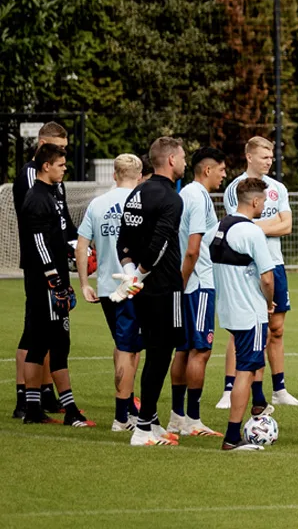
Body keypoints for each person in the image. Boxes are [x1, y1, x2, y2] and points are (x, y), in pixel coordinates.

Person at [115, 136, 187, 446]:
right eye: (182, 157)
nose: (185, 162)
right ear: (171, 160)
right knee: (161, 353)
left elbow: (123, 240)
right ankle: (143, 428)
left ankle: (152, 421)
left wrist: (130, 271)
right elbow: (160, 245)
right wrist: (141, 274)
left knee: (154, 352)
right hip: (163, 287)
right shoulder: (172, 198)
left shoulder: (137, 193)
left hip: (141, 288)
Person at [222, 137, 298, 406]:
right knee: (242, 328)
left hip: (274, 263)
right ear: (249, 157)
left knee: (276, 329)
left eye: (271, 156)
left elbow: (288, 226)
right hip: (246, 267)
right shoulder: (235, 188)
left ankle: (279, 391)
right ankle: (229, 388)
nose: (269, 161)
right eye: (264, 157)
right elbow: (237, 227)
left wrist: (256, 225)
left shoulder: (278, 188)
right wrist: (271, 224)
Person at [18, 143, 92, 428]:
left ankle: (34, 409)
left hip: (50, 281)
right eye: (60, 164)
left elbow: (58, 235)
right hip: (45, 285)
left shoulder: (52, 194)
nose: (64, 169)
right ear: (46, 166)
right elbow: (38, 242)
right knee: (56, 343)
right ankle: (70, 410)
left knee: (41, 344)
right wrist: (56, 280)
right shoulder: (37, 197)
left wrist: (72, 250)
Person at [76, 154, 143, 431]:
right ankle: (122, 416)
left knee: (121, 344)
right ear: (139, 176)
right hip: (133, 286)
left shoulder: (98, 203)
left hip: (105, 286)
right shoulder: (142, 202)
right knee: (131, 350)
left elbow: (81, 247)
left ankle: (126, 407)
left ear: (114, 175)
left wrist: (83, 283)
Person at [12, 121, 73, 419]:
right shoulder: (33, 181)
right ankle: (26, 399)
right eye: (59, 151)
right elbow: (37, 227)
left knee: (47, 336)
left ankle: (43, 396)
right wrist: (51, 272)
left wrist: (74, 246)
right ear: (43, 149)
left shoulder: (54, 182)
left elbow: (61, 221)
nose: (64, 159)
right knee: (34, 333)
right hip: (40, 267)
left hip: (53, 263)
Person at [166, 146, 227, 437]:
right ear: (207, 170)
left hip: (185, 283)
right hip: (198, 282)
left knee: (182, 349)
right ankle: (193, 419)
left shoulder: (184, 194)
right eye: (222, 169)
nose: (224, 175)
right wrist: (184, 280)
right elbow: (193, 248)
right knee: (200, 350)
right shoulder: (199, 197)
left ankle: (177, 416)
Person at [212, 178, 276, 451]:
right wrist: (269, 303)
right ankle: (232, 436)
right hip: (249, 310)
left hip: (227, 308)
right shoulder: (251, 232)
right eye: (263, 201)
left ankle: (254, 409)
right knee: (246, 372)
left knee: (247, 366)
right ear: (255, 201)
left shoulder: (220, 226)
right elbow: (268, 278)